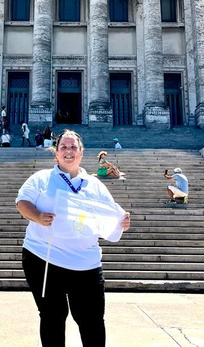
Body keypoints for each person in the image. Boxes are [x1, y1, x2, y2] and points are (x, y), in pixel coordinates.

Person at [16, 130, 131, 347]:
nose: (69, 152)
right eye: (64, 148)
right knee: (52, 316)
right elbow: (22, 203)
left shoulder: (95, 185)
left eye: (73, 147)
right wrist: (38, 216)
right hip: (44, 258)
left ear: (81, 152)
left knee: (92, 320)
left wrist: (122, 222)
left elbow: (111, 214)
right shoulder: (41, 178)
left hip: (86, 264)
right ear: (56, 153)